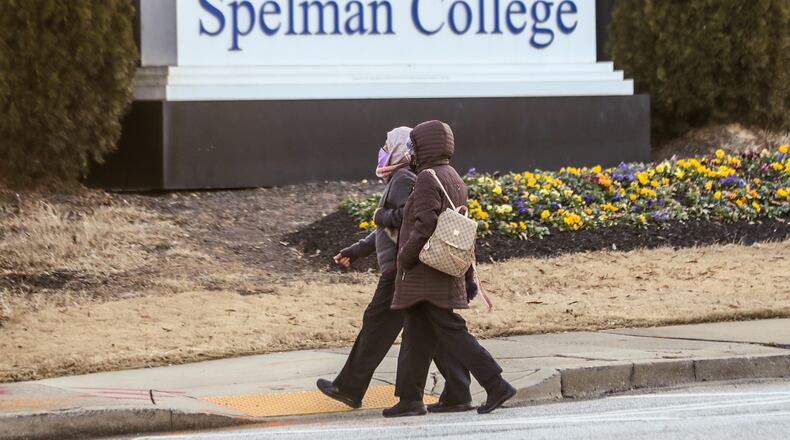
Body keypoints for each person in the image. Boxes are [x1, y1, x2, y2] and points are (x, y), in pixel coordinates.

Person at [317, 127, 473, 413]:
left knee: (376, 326)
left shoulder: (403, 178)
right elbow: (386, 231)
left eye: (388, 144)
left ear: (401, 148)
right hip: (403, 268)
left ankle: (349, 388)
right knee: (430, 331)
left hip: (399, 271)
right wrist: (356, 251)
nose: (383, 149)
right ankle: (458, 391)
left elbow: (406, 219)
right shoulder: (404, 177)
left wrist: (381, 214)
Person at [383, 120, 516, 418]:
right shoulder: (453, 175)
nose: (411, 152)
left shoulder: (428, 178)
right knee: (416, 336)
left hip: (426, 272)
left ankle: (496, 384)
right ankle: (410, 399)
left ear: (425, 147)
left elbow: (425, 223)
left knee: (452, 332)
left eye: (414, 145)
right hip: (442, 270)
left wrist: (406, 257)